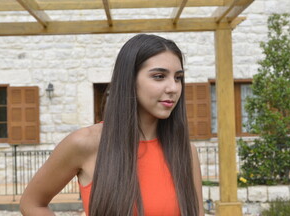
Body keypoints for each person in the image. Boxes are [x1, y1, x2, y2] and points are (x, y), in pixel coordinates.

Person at [20, 34, 204, 216]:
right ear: (129, 80)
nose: (173, 87)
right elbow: (32, 204)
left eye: (178, 77)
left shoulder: (186, 152)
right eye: (159, 76)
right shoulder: (85, 143)